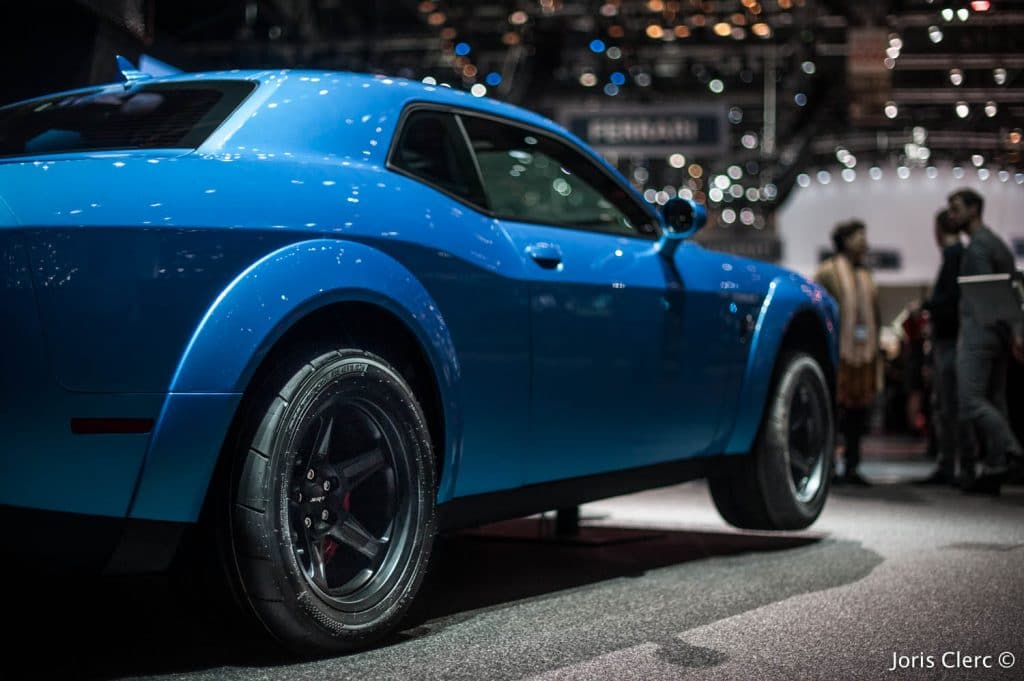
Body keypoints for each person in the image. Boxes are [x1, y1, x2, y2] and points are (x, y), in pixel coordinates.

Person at [947, 188, 1024, 495]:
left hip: (980, 332)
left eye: (956, 209)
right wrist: (1016, 331)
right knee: (994, 400)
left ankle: (1012, 450)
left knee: (970, 401)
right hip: (999, 333)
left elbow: (984, 296)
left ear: (974, 209)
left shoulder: (978, 247)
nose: (952, 215)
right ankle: (996, 467)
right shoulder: (996, 244)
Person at [815, 219, 880, 486]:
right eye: (858, 236)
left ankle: (852, 466)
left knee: (858, 413)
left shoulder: (866, 275)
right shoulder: (828, 271)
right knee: (833, 410)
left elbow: (875, 314)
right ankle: (827, 464)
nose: (864, 242)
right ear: (844, 240)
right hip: (838, 352)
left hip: (864, 354)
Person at [918, 209, 963, 485]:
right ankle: (954, 465)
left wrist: (925, 306)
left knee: (949, 406)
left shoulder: (954, 256)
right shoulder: (956, 255)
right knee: (947, 406)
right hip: (950, 340)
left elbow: (950, 301)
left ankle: (953, 466)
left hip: (950, 340)